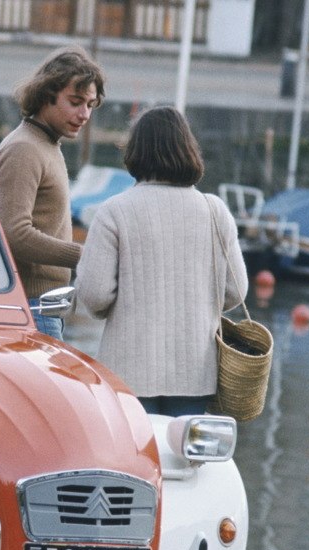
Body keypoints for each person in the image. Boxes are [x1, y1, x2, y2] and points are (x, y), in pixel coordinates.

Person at [74, 105, 248, 417]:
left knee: (134, 462)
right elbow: (236, 290)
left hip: (127, 371)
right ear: (188, 149)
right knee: (185, 464)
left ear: (135, 152)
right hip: (196, 372)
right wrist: (198, 307)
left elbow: (94, 295)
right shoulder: (214, 210)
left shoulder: (114, 211)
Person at [0, 46, 105, 341]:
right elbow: (15, 234)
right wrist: (88, 255)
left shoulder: (45, 144)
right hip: (31, 309)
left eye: (91, 104)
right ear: (45, 95)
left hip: (44, 307)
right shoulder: (25, 149)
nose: (84, 114)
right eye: (75, 102)